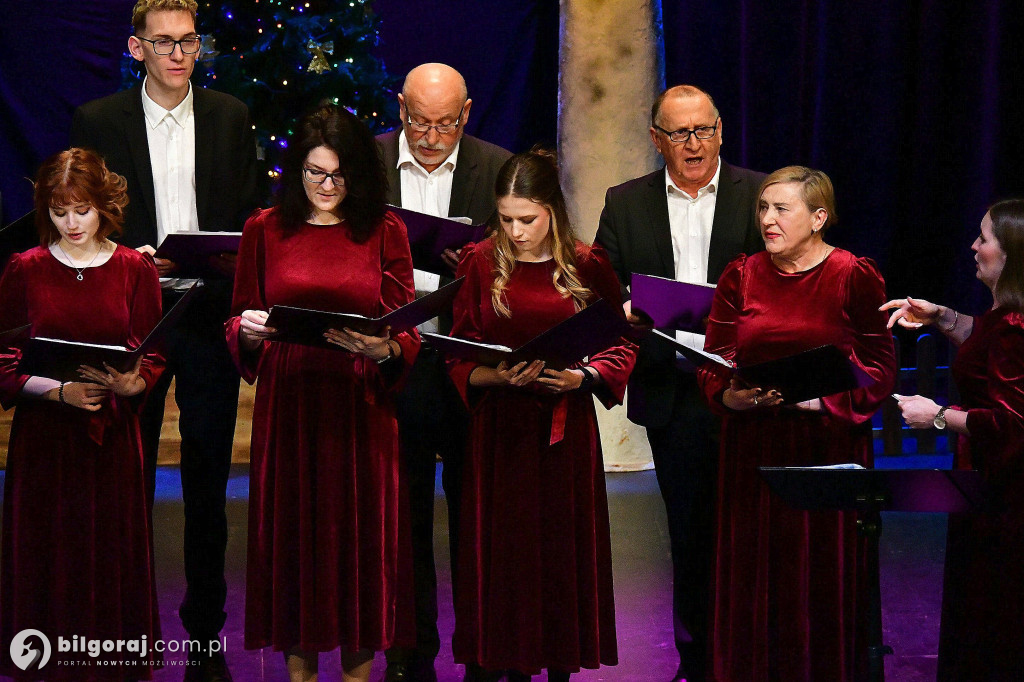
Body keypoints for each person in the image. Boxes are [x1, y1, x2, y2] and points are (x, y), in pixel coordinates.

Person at [69, 2, 258, 678]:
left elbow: (247, 217)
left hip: (206, 317)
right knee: (127, 477)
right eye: (164, 42)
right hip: (133, 318)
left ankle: (204, 635)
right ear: (136, 47)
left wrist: (214, 260)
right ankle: (124, 627)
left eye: (189, 41)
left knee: (208, 483)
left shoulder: (230, 116)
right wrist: (128, 255)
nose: (179, 54)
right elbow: (79, 213)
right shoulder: (99, 121)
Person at [225, 103, 420, 682]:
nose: (326, 186)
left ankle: (360, 672)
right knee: (294, 540)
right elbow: (237, 315)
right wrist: (249, 331)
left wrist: (383, 349)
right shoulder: (266, 228)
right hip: (292, 401)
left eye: (337, 175)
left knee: (360, 543)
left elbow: (404, 324)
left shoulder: (384, 229)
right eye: (314, 173)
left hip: (359, 401)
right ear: (297, 171)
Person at [696, 166, 896, 681]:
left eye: (782, 209)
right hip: (754, 447)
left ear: (819, 218)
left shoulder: (852, 274)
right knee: (754, 573)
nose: (767, 219)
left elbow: (879, 367)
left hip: (825, 445)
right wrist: (730, 398)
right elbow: (713, 358)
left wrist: (815, 403)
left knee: (817, 577)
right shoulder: (740, 274)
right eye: (763, 208)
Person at [593, 84, 764, 682]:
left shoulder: (760, 193)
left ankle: (751, 656)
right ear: (657, 140)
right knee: (690, 538)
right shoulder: (626, 202)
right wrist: (627, 309)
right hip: (674, 389)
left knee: (751, 536)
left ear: (719, 131)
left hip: (747, 391)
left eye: (703, 130)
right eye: (679, 133)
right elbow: (599, 285)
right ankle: (698, 664)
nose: (693, 144)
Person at [445, 150, 636, 681]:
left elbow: (620, 344)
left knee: (557, 552)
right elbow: (458, 354)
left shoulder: (585, 262)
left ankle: (558, 663)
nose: (516, 230)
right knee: (504, 554)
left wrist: (584, 377)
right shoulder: (479, 262)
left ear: (552, 209)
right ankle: (501, 660)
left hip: (563, 433)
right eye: (506, 219)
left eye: (527, 219)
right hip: (499, 432)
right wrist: (497, 376)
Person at [0, 148, 164, 679]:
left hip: (111, 439)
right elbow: (2, 362)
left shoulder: (133, 268)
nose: (70, 223)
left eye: (81, 210)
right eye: (58, 211)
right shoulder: (24, 269)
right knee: (47, 561)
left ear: (103, 206)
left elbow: (152, 352)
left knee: (110, 557)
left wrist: (135, 380)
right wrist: (56, 392)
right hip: (45, 441)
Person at [376, 62, 511, 682]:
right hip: (394, 362)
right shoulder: (369, 163)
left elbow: (530, 258)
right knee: (401, 519)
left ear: (467, 112)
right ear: (400, 108)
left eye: (446, 124)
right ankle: (409, 650)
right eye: (419, 122)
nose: (431, 137)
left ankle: (483, 648)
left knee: (477, 516)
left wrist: (481, 261)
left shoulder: (496, 167)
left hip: (470, 365)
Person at [882, 199, 1024, 680]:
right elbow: (983, 338)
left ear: (1010, 256)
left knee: (998, 616)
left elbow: (1013, 424)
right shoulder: (1005, 316)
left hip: (1007, 502)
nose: (974, 246)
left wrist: (939, 415)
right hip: (988, 492)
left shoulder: (1016, 326)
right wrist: (940, 315)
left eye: (984, 238)